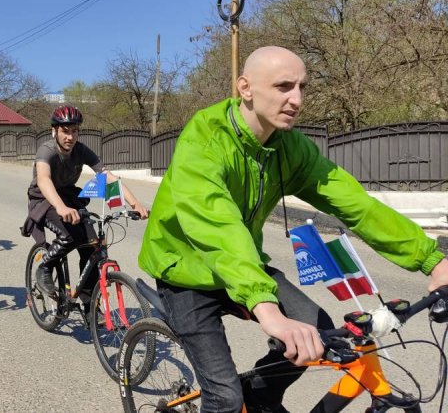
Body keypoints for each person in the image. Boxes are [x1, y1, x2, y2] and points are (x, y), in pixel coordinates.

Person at [138, 45, 448, 413]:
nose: (296, 99)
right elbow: (214, 223)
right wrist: (266, 308)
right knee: (223, 398)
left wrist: (432, 260)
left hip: (244, 266)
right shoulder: (205, 139)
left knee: (316, 331)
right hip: (186, 271)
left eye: (303, 87)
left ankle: (260, 396)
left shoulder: (289, 147)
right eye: (284, 86)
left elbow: (355, 204)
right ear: (245, 88)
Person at [21, 105, 149, 314]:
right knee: (69, 235)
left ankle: (89, 305)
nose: (70, 136)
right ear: (55, 131)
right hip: (45, 199)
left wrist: (135, 204)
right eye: (65, 131)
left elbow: (107, 176)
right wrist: (61, 207)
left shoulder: (81, 150)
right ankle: (45, 266)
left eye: (74, 131)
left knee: (92, 246)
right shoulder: (47, 150)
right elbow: (43, 179)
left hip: (69, 197)